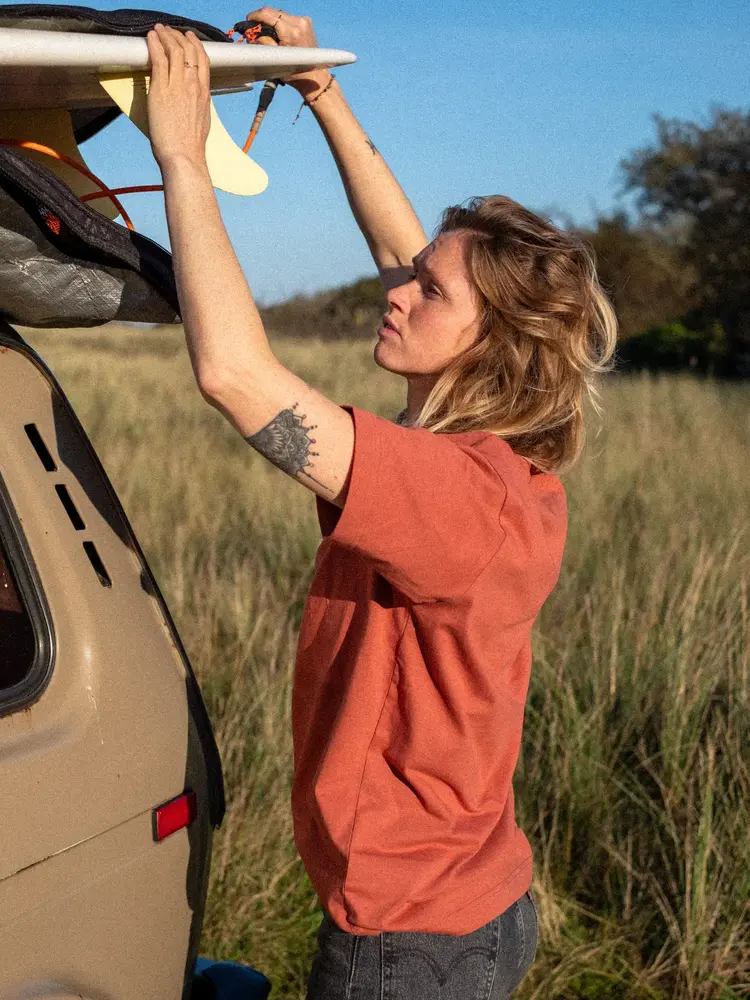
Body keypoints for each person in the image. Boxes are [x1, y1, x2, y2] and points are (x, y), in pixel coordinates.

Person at [145, 12, 617, 999]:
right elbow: (410, 250)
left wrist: (183, 158)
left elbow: (238, 377)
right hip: (470, 905)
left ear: (489, 345)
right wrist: (321, 90)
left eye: (426, 292)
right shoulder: (488, 463)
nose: (398, 291)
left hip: (410, 943)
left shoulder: (454, 498)